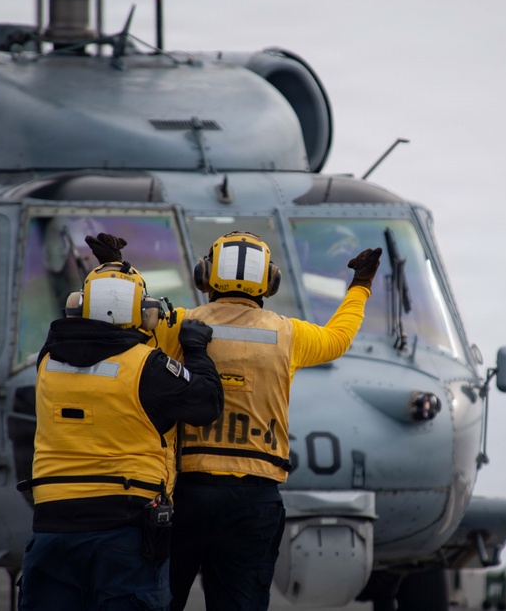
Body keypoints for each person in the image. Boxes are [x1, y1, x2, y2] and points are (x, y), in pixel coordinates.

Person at [159, 230, 382, 611]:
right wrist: (360, 285)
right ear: (270, 281)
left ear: (204, 275)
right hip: (254, 497)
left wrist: (111, 270)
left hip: (186, 492)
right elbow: (338, 338)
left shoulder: (179, 325)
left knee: (158, 599)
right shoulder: (288, 334)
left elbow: (127, 332)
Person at [17, 256, 224, 611]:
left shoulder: (47, 361)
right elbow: (207, 403)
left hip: (52, 526)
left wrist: (103, 278)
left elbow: (67, 333)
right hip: (125, 527)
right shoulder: (148, 367)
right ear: (145, 314)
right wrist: (195, 349)